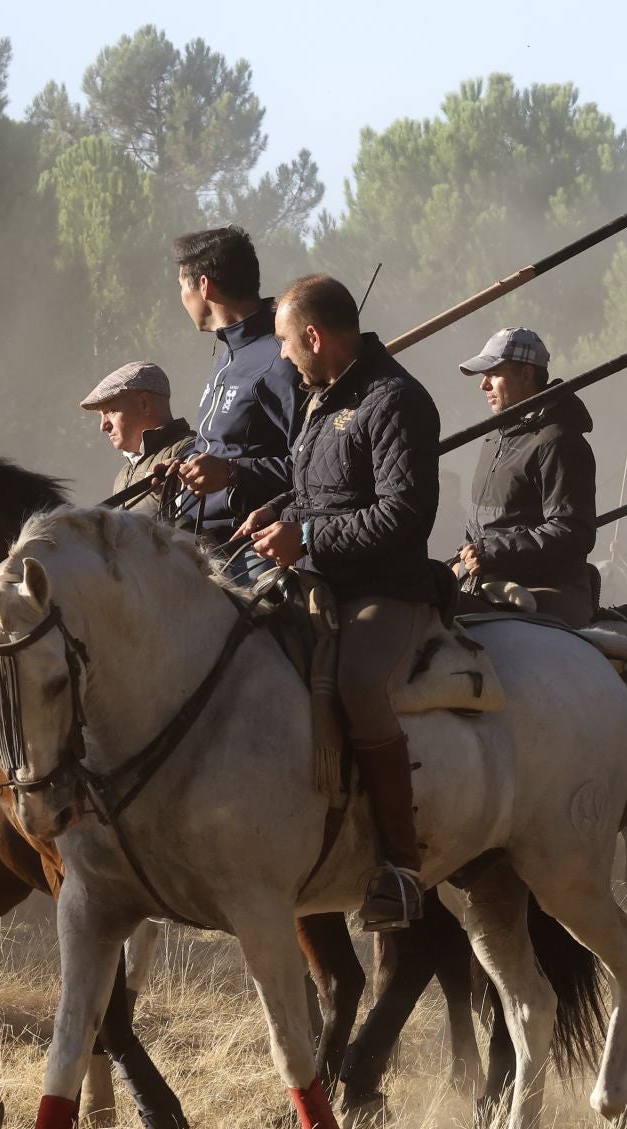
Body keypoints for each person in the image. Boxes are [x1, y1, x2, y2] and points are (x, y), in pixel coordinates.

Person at [232, 274, 440, 932]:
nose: (285, 356)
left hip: (385, 589)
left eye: (289, 343)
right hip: (317, 580)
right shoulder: (320, 399)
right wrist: (273, 512)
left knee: (356, 682)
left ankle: (401, 870)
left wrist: (308, 537)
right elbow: (318, 494)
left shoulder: (395, 400)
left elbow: (403, 514)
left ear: (315, 336)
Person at [454, 326, 598, 627]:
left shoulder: (558, 440)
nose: (483, 385)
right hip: (490, 581)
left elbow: (573, 530)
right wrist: (464, 559)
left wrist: (490, 552)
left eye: (494, 374)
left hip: (547, 589)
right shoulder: (495, 437)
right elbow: (480, 526)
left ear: (526, 375)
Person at [170, 225, 298, 555]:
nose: (180, 300)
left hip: (248, 548)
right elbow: (221, 445)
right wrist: (184, 464)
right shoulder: (227, 353)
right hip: (194, 537)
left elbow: (315, 465)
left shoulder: (281, 357)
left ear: (204, 286)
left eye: (182, 287)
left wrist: (232, 473)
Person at [79, 361, 195, 512]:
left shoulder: (190, 453)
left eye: (112, 411)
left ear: (144, 403)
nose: (103, 426)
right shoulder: (122, 477)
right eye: (101, 416)